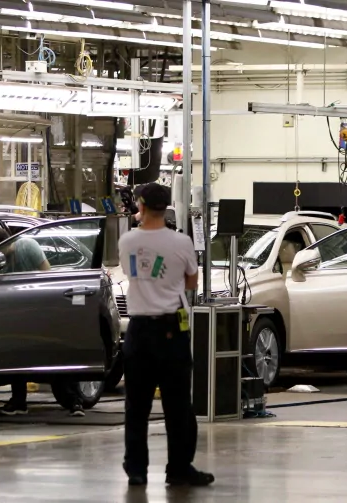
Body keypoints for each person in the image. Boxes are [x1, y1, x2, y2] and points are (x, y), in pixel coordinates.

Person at [118, 182, 214, 487]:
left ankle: (136, 471)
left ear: (141, 207)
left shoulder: (127, 241)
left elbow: (129, 272)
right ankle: (179, 468)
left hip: (138, 330)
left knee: (137, 405)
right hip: (173, 329)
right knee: (178, 406)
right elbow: (192, 282)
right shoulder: (182, 242)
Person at [0, 227, 85, 417]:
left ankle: (74, 402)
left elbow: (47, 274)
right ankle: (19, 402)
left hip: (40, 309)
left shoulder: (27, 246)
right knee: (16, 354)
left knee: (54, 356)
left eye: (0, 250)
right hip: (16, 314)